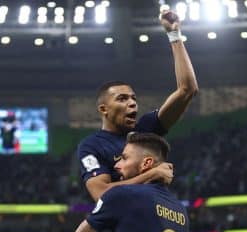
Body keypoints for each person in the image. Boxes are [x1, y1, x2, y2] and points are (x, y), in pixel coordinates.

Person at [77, 10, 198, 202]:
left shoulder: (145, 130)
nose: (132, 103)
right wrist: (152, 174)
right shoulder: (92, 145)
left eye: (133, 98)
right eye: (122, 99)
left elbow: (187, 90)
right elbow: (100, 193)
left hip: (154, 217)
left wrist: (174, 35)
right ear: (103, 109)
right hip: (123, 225)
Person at [68, 132, 189, 232]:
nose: (116, 165)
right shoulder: (181, 210)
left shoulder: (122, 195)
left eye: (124, 158)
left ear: (146, 163)